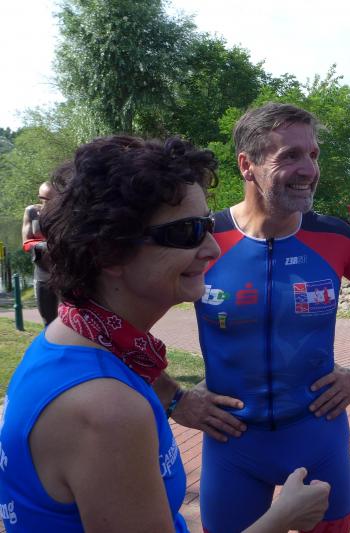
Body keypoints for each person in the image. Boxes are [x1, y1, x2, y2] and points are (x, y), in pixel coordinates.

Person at [0, 136, 330, 532]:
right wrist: (283, 516)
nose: (213, 249)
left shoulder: (73, 338)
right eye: (188, 232)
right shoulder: (108, 409)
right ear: (109, 252)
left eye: (208, 226)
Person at [195, 102, 350, 533]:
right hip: (232, 445)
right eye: (290, 155)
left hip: (317, 437)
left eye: (312, 155)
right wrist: (173, 398)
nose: (309, 169)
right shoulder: (205, 238)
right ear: (247, 165)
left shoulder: (333, 237)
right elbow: (125, 315)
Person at [21, 182, 59, 324]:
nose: (48, 203)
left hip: (66, 275)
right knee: (48, 319)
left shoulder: (67, 213)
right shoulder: (31, 212)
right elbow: (26, 243)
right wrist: (47, 245)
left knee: (71, 320)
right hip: (43, 274)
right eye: (44, 199)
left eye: (52, 199)